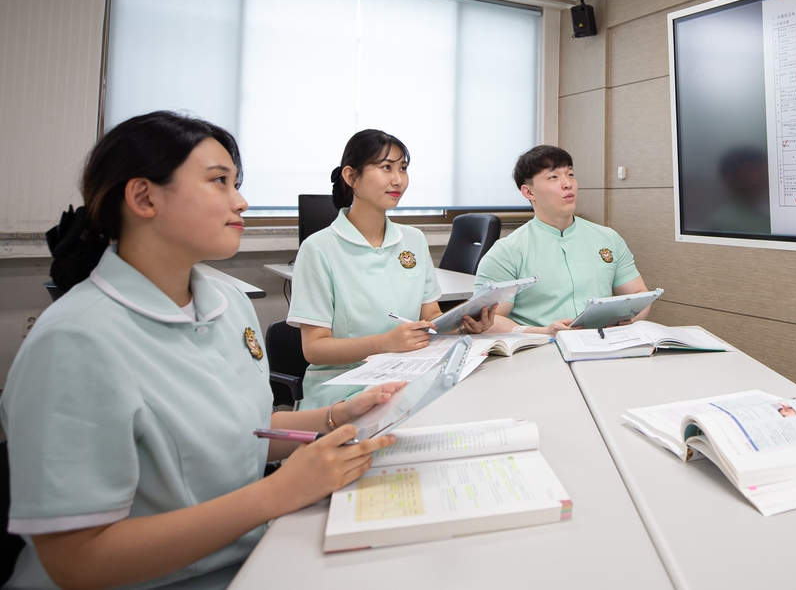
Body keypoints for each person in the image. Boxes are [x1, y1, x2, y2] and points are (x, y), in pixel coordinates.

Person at [1, 112, 400, 590]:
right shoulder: (74, 340)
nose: (241, 201)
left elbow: (235, 430)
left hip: (250, 555)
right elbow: (77, 560)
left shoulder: (227, 303)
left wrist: (336, 415)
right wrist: (279, 492)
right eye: (219, 182)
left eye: (237, 183)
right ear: (144, 196)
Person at [287, 129, 491, 410]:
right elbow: (314, 349)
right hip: (343, 389)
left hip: (409, 377)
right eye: (386, 168)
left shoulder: (413, 239)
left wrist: (465, 326)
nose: (398, 180)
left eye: (403, 168)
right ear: (351, 177)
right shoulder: (318, 248)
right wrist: (384, 342)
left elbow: (430, 317)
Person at [474, 145, 652, 334]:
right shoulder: (507, 250)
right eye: (553, 177)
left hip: (602, 347)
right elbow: (487, 319)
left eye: (570, 174)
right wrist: (543, 332)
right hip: (540, 351)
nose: (567, 183)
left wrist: (629, 318)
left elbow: (639, 295)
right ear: (529, 192)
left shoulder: (607, 237)